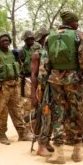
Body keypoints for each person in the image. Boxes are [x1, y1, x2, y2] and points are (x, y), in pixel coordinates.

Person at [45, 11, 83, 164]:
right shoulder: (78, 35)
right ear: (71, 22)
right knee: (77, 112)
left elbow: (46, 62)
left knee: (58, 113)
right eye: (77, 21)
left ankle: (59, 154)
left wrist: (50, 77)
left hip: (55, 80)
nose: (78, 24)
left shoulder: (49, 36)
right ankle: (76, 151)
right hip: (74, 80)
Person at [0, 33, 32, 145]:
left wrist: (18, 58)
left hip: (14, 85)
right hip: (3, 87)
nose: (6, 43)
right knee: (2, 111)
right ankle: (2, 134)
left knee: (17, 110)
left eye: (7, 41)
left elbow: (19, 67)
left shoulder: (13, 53)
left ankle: (22, 133)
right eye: (3, 41)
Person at [30, 27, 55, 157]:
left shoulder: (52, 52)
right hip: (43, 89)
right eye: (45, 38)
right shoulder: (37, 54)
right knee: (45, 116)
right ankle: (41, 144)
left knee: (52, 116)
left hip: (53, 88)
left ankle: (46, 140)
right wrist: (33, 95)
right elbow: (33, 75)